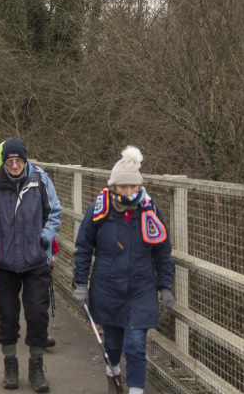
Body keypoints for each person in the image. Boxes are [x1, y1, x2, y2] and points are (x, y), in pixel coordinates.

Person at [72, 146, 174, 394]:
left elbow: (162, 250)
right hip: (108, 285)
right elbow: (84, 247)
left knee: (137, 344)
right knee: (114, 342)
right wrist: (81, 284)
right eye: (123, 187)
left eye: (133, 187)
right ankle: (113, 371)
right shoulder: (98, 212)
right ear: (113, 187)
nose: (129, 192)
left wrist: (165, 285)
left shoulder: (150, 212)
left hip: (141, 286)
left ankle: (136, 390)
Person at [0, 137, 62, 392]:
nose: (14, 165)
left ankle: (36, 366)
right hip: (4, 261)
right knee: (7, 315)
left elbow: (54, 213)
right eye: (10, 161)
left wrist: (43, 241)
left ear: (25, 160)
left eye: (18, 160)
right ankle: (10, 364)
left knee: (37, 314)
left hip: (36, 260)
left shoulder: (40, 180)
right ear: (4, 161)